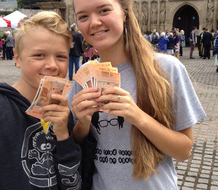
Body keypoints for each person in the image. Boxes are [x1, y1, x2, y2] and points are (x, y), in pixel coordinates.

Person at [68, 0, 206, 189]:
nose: (94, 22)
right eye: (83, 16)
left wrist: (138, 116)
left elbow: (183, 151)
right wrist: (83, 123)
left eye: (104, 10)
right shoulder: (84, 75)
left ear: (124, 13)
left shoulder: (166, 69)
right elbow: (74, 144)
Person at [0, 11, 83, 189]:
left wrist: (63, 134)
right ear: (18, 58)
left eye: (61, 57)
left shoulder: (63, 112)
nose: (53, 66)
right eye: (39, 55)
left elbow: (73, 183)